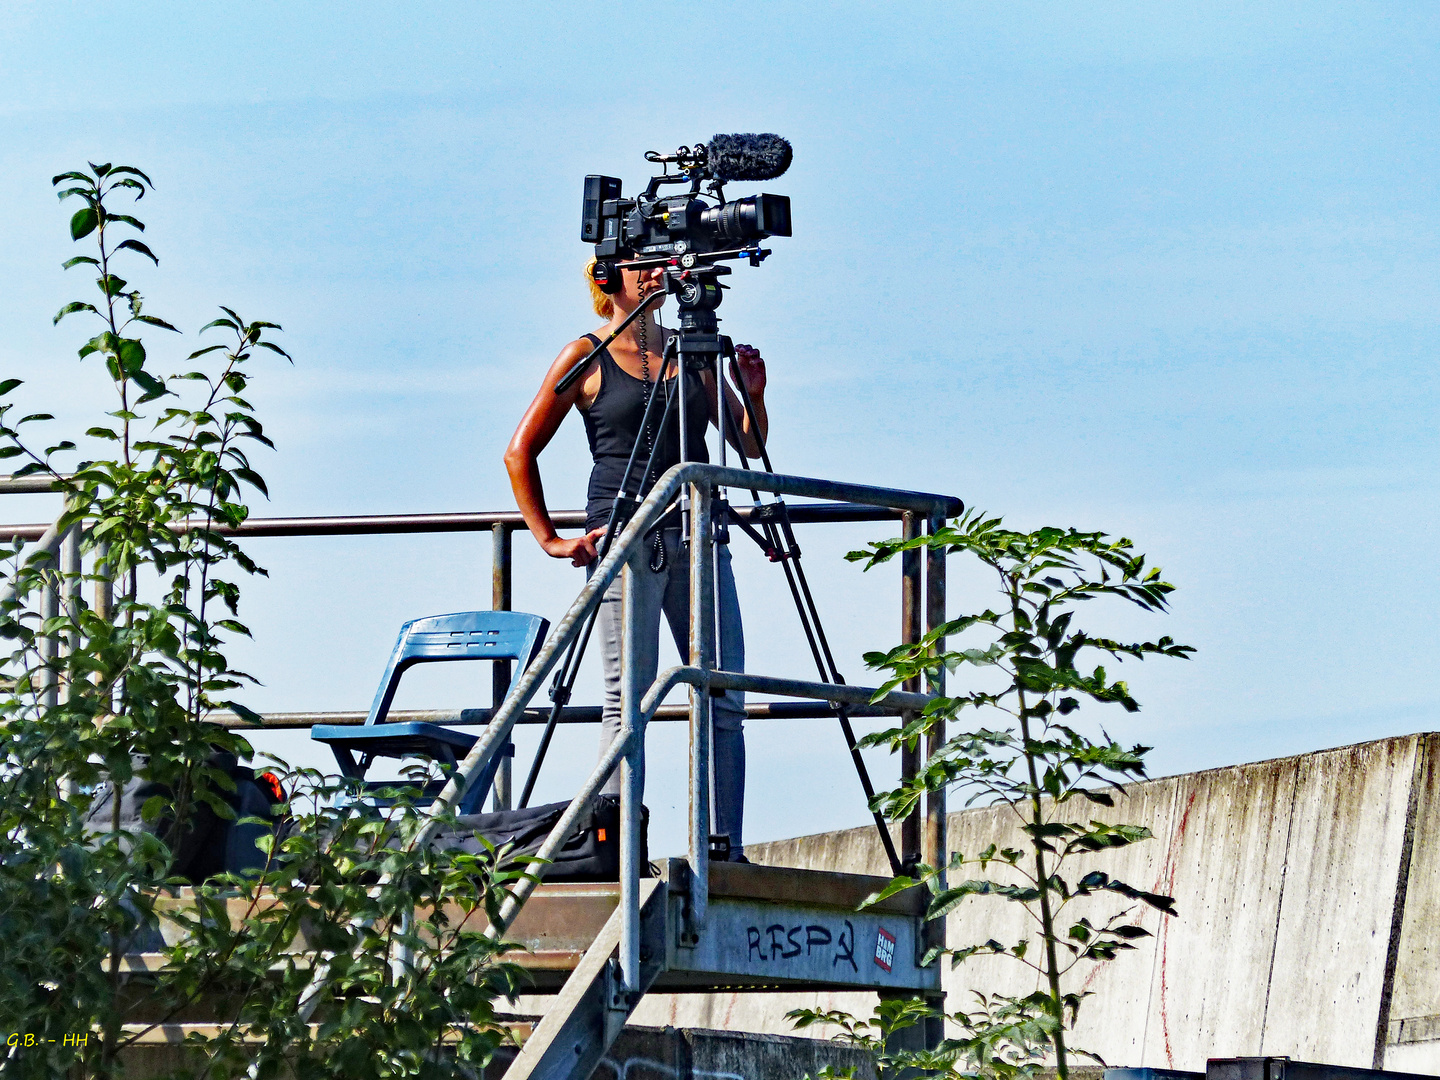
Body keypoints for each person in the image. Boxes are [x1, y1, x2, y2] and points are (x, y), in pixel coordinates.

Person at [504, 261, 768, 860]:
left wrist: (752, 395)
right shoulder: (585, 353)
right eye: (641, 266)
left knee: (723, 692)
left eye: (659, 265)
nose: (657, 275)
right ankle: (619, 850)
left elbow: (748, 445)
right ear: (607, 279)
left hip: (700, 536)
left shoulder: (692, 350)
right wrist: (550, 539)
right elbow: (519, 452)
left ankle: (724, 845)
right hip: (624, 542)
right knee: (628, 701)